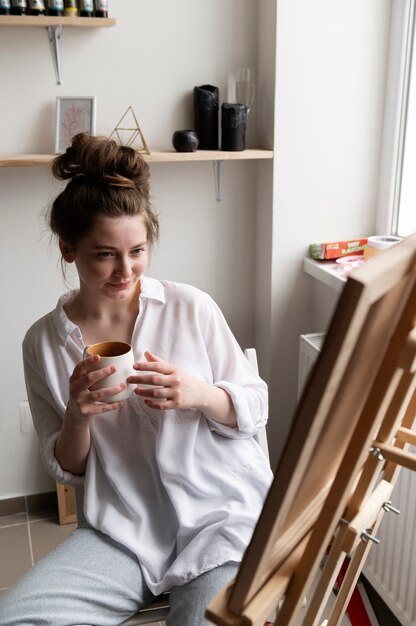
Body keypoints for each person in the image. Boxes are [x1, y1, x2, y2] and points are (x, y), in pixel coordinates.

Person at [0, 133, 272, 626]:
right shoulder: (41, 342)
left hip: (220, 516)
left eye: (138, 251)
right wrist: (77, 416)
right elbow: (64, 468)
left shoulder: (191, 307)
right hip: (124, 530)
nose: (125, 271)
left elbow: (256, 404)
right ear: (68, 249)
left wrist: (200, 394)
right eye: (105, 254)